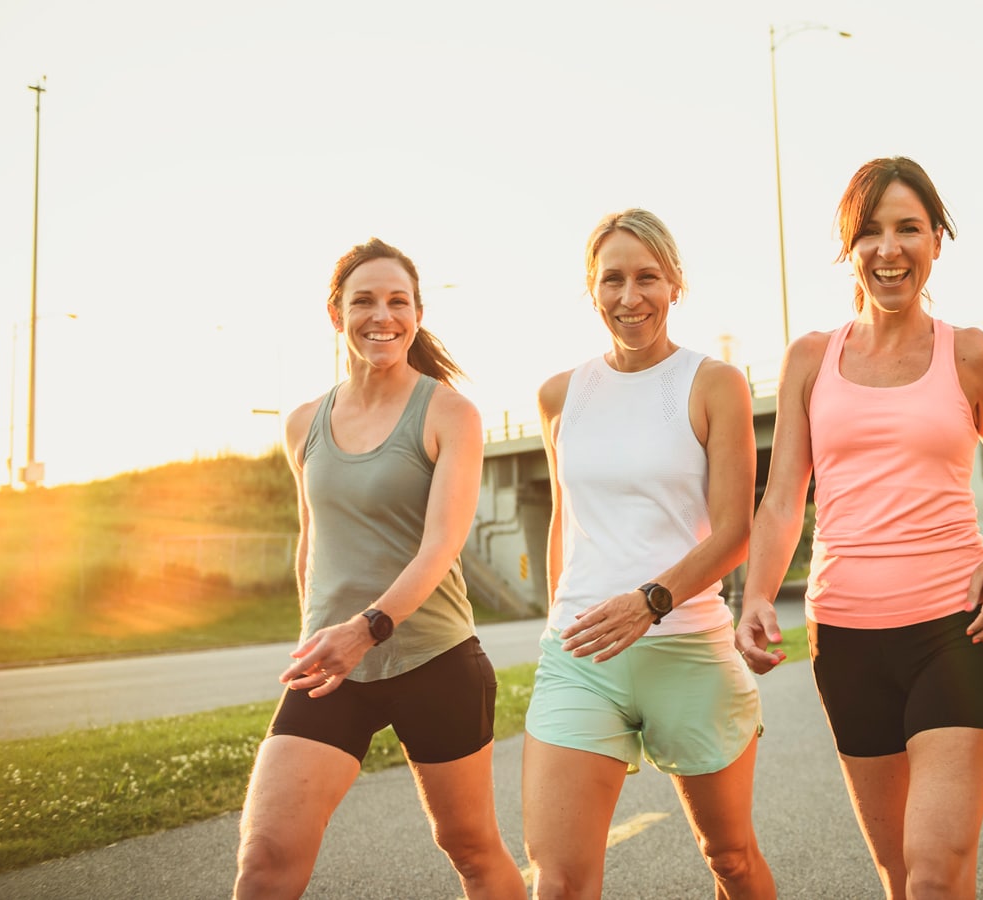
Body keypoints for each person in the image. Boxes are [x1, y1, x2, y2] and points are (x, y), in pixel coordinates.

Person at [736, 157, 983, 899]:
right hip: (845, 636)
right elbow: (781, 499)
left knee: (933, 872)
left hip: (956, 632)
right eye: (870, 232)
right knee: (900, 875)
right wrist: (760, 596)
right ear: (848, 246)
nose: (889, 248)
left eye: (908, 229)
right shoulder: (809, 358)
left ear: (936, 241)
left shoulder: (972, 353)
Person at [234, 238, 525, 900]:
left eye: (398, 301)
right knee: (266, 859)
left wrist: (362, 630)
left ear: (417, 314)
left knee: (471, 849)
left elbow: (442, 544)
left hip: (437, 660)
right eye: (363, 300)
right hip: (334, 670)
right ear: (335, 313)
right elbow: (314, 539)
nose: (381, 316)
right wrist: (317, 637)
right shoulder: (304, 423)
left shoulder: (450, 413)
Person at [522, 209, 774, 899]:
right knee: (560, 878)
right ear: (591, 289)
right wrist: (557, 621)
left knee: (729, 858)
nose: (629, 296)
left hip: (687, 649)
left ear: (675, 286)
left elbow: (734, 531)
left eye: (647, 278)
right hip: (581, 658)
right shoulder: (558, 395)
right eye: (613, 280)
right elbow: (564, 521)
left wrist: (649, 602)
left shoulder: (712, 383)